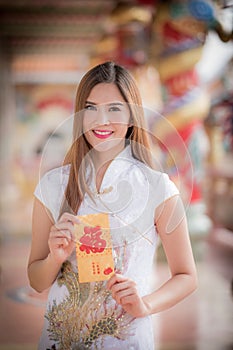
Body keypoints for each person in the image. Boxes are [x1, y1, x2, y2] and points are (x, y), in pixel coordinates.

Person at [28, 61, 197, 350]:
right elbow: (36, 279)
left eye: (114, 109)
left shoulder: (158, 188)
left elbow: (187, 276)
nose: (101, 120)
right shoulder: (53, 186)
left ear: (133, 115)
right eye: (91, 108)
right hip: (62, 341)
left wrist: (145, 304)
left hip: (128, 340)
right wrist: (56, 257)